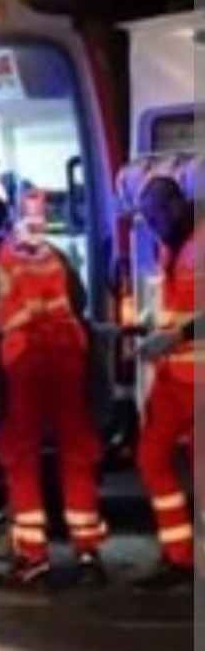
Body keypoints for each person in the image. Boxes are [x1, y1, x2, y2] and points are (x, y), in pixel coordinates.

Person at [0, 194, 108, 590]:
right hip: (71, 355)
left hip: (23, 361)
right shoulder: (50, 252)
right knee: (78, 452)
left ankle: (33, 559)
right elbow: (79, 301)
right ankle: (88, 554)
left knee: (21, 458)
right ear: (8, 219)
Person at [130, 175, 204, 591]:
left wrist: (176, 336)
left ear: (176, 206)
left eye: (156, 217)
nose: (154, 227)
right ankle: (179, 556)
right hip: (176, 377)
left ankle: (186, 559)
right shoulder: (172, 245)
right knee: (151, 458)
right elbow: (179, 308)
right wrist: (150, 330)